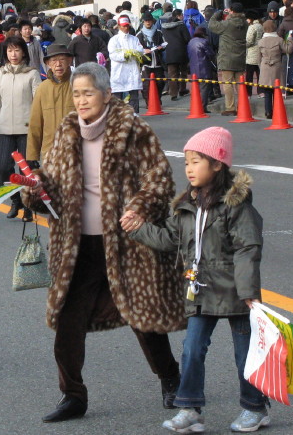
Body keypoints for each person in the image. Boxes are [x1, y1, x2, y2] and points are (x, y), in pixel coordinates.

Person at [21, 62, 183, 423]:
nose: (81, 100)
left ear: (107, 94)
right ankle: (73, 395)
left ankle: (170, 377)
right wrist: (35, 190)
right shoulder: (66, 133)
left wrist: (139, 208)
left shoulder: (133, 129)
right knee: (68, 322)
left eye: (88, 93)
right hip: (77, 245)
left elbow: (159, 179)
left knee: (144, 317)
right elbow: (50, 180)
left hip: (126, 242)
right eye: (76, 94)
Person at [124, 126, 268, 434]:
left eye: (196, 161)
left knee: (245, 352)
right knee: (192, 348)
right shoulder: (187, 206)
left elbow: (248, 248)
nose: (189, 168)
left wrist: (248, 293)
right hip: (200, 289)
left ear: (217, 164)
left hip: (235, 293)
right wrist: (137, 228)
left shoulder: (236, 206)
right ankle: (190, 408)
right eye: (187, 161)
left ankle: (254, 408)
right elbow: (169, 238)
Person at [0, 36, 41, 221]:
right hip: (5, 129)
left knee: (27, 169)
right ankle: (15, 200)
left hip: (26, 129)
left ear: (23, 52)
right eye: (10, 50)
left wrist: (38, 127)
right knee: (3, 166)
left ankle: (28, 206)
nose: (13, 54)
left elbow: (38, 102)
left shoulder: (32, 74)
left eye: (17, 50)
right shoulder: (0, 75)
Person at [25, 43, 74, 166]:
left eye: (62, 59)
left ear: (69, 61)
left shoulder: (78, 84)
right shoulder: (43, 88)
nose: (58, 64)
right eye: (54, 60)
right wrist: (32, 155)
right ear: (48, 64)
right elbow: (35, 123)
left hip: (76, 151)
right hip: (50, 152)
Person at [209, 4, 248, 116]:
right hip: (240, 57)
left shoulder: (227, 24)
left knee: (228, 83)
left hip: (227, 58)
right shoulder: (245, 24)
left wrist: (219, 13)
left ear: (231, 11)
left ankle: (230, 107)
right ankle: (242, 106)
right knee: (240, 83)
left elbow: (212, 25)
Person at [107, 14, 145, 113]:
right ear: (119, 26)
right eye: (123, 26)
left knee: (134, 96)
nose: (125, 28)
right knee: (117, 98)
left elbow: (140, 49)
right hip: (119, 72)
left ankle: (134, 116)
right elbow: (113, 55)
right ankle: (117, 118)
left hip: (132, 71)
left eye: (127, 25)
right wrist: (126, 55)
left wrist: (135, 52)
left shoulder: (134, 39)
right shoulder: (114, 40)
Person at [160, 9, 191, 101]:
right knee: (183, 72)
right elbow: (187, 38)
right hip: (181, 51)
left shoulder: (164, 27)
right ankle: (182, 89)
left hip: (169, 52)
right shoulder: (181, 26)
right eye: (182, 15)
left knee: (172, 74)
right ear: (179, 16)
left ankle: (173, 93)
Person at [257, 20, 284, 120]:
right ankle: (277, 110)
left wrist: (262, 66)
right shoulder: (279, 40)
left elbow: (258, 58)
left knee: (267, 92)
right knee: (276, 91)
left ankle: (268, 111)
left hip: (265, 67)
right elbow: (287, 49)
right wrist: (290, 39)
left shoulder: (260, 42)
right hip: (276, 66)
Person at [187, 26, 216, 113]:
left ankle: (194, 105)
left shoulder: (190, 42)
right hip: (204, 67)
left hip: (193, 67)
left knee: (195, 88)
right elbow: (210, 54)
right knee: (204, 88)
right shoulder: (204, 42)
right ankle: (202, 107)